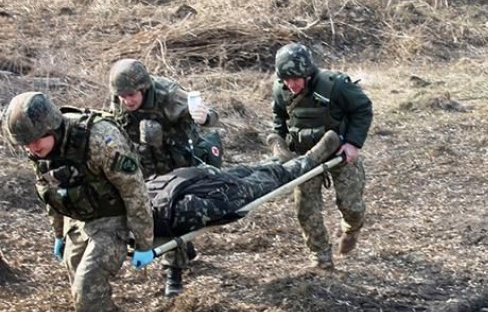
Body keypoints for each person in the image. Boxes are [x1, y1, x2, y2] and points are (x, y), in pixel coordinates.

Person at [2, 92, 154, 312]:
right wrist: (58, 233)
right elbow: (51, 192)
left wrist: (144, 241)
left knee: (87, 293)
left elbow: (134, 190)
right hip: (78, 221)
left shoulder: (99, 138)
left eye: (36, 139)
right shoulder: (39, 148)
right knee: (82, 298)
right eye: (26, 143)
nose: (32, 148)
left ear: (52, 126)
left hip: (112, 218)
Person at [108, 58, 222, 296]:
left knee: (169, 210)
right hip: (146, 161)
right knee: (152, 207)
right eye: (123, 96)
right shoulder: (118, 100)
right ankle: (183, 249)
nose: (128, 101)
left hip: (176, 158)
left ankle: (174, 271)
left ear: (143, 88)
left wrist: (204, 117)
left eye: (132, 95)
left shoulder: (168, 94)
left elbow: (210, 116)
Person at [134, 131, 342, 252]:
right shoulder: (142, 200)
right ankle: (299, 159)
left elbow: (211, 204)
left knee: (261, 174)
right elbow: (212, 205)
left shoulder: (143, 205)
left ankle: (295, 158)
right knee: (267, 174)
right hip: (207, 185)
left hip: (204, 184)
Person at [267, 42, 373, 270]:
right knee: (306, 210)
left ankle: (351, 229)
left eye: (295, 79)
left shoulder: (335, 86)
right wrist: (280, 143)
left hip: (340, 154)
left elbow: (362, 108)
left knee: (352, 206)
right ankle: (321, 256)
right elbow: (279, 117)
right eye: (285, 79)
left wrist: (353, 144)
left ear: (307, 73)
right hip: (305, 159)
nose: (290, 84)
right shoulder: (281, 89)